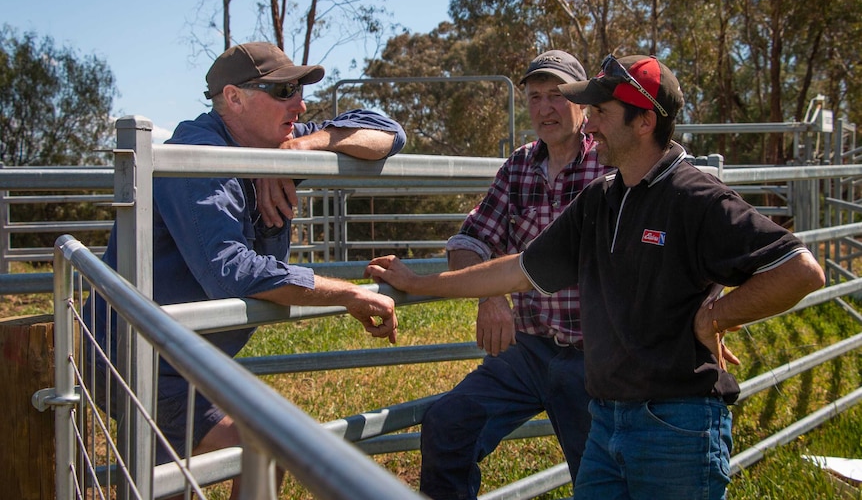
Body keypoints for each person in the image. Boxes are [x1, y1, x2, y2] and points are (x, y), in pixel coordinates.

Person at [366, 54, 826, 500]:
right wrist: (421, 283)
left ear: (644, 121)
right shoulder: (602, 196)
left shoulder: (694, 196)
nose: (588, 124)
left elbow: (799, 269)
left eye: (600, 112)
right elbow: (520, 269)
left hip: (671, 417)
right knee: (453, 423)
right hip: (606, 407)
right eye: (537, 97)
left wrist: (715, 317)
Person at [90, 41, 405, 498]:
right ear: (234, 98)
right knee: (261, 450)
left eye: (298, 90)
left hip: (184, 358)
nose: (299, 103)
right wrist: (348, 293)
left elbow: (388, 133)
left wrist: (297, 150)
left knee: (172, 482)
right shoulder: (196, 156)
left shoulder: (275, 141)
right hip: (142, 358)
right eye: (282, 92)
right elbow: (230, 270)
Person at [419, 50, 611, 500]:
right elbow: (468, 243)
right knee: (448, 426)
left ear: (581, 102)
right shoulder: (520, 165)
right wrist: (491, 296)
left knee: (600, 476)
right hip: (526, 353)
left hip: (595, 355)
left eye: (558, 96)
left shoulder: (610, 162)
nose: (545, 108)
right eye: (535, 97)